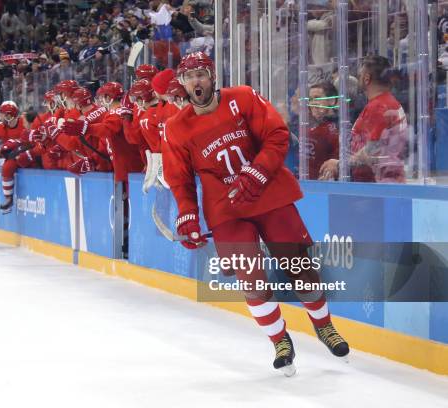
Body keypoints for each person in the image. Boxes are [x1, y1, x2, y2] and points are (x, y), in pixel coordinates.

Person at [162, 52, 349, 376]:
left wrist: (257, 172)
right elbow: (179, 179)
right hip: (226, 210)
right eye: (189, 77)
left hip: (268, 193)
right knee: (251, 278)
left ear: (212, 77)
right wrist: (187, 215)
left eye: (202, 74)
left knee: (300, 268)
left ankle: (324, 326)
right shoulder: (176, 128)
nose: (196, 82)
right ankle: (279, 340)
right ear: (181, 84)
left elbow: (277, 135)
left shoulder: (243, 98)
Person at [319, 55, 407, 183]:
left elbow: (372, 151)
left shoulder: (379, 106)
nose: (358, 78)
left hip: (375, 188)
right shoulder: (385, 103)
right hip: (377, 184)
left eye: (360, 75)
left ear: (367, 78)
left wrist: (339, 165)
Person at [305, 82, 339, 180]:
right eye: (310, 99)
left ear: (332, 101)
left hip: (324, 187)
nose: (312, 103)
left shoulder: (336, 130)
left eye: (317, 98)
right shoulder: (310, 126)